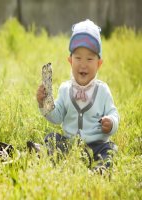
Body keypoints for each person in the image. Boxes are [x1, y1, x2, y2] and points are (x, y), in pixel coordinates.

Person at [35, 19, 120, 173]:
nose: (83, 64)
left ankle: (99, 170)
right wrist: (44, 103)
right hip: (70, 145)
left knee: (109, 150)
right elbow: (57, 117)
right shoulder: (65, 89)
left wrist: (111, 122)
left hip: (95, 145)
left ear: (99, 64)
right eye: (78, 58)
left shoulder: (102, 91)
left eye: (89, 59)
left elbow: (114, 113)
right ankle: (46, 154)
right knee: (52, 138)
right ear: (70, 61)